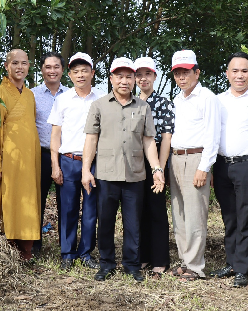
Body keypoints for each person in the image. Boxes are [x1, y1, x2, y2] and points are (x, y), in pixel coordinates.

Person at [82, 57, 165, 282]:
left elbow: (148, 141)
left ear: (134, 80)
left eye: (129, 76)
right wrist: (85, 170)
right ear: (111, 79)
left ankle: (131, 265)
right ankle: (106, 264)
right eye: (119, 76)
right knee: (106, 222)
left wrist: (157, 169)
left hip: (135, 174)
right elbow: (91, 139)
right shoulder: (99, 105)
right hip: (106, 174)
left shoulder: (143, 106)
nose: (124, 81)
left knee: (133, 223)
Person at [211, 52, 248, 288]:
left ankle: (243, 269)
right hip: (222, 164)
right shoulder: (217, 101)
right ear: (227, 74)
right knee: (229, 217)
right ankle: (232, 262)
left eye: (244, 71)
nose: (239, 75)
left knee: (245, 216)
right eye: (234, 71)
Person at [0, 49, 41, 261]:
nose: (20, 67)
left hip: (30, 159)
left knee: (28, 201)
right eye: (15, 63)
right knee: (7, 201)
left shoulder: (30, 95)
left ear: (29, 67)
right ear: (7, 66)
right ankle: (5, 249)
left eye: (24, 63)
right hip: (8, 161)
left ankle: (26, 249)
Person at [168, 49, 220, 281]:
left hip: (196, 158)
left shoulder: (207, 97)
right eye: (177, 72)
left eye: (186, 72)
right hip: (176, 158)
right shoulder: (177, 99)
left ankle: (196, 266)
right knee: (179, 212)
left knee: (195, 214)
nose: (181, 77)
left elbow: (213, 135)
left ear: (196, 72)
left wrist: (204, 167)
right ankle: (185, 260)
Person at [47, 52, 102, 270]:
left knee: (90, 210)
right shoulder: (62, 100)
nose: (80, 75)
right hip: (68, 160)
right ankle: (67, 253)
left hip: (94, 162)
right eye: (76, 71)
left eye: (84, 71)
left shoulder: (102, 98)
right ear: (69, 74)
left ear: (92, 73)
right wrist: (55, 164)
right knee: (68, 208)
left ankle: (86, 252)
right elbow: (55, 134)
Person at [133, 56, 174, 278]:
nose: (143, 78)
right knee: (137, 210)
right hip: (134, 161)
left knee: (156, 209)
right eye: (139, 75)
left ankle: (159, 259)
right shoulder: (130, 101)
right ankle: (143, 256)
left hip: (156, 159)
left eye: (147, 74)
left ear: (155, 76)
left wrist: (160, 168)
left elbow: (166, 138)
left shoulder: (164, 103)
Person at [30, 52, 67, 256]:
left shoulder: (71, 94)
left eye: (56, 67)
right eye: (48, 67)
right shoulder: (31, 95)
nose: (52, 71)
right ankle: (34, 245)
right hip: (40, 155)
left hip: (66, 155)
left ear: (62, 70)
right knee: (37, 200)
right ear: (42, 69)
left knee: (66, 202)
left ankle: (66, 246)